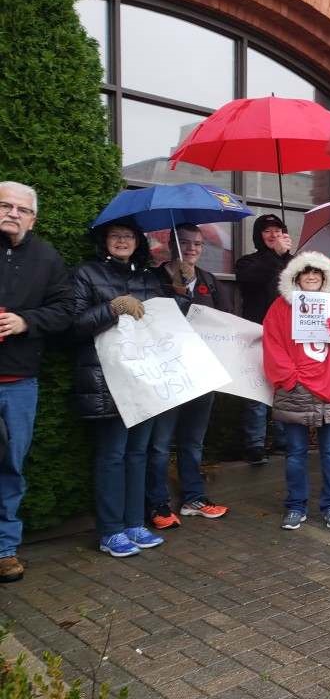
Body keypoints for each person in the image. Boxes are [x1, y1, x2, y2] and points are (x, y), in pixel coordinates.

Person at [72, 221, 172, 557]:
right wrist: (112, 308)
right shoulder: (86, 274)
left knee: (137, 454)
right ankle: (111, 530)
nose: (121, 241)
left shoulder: (148, 277)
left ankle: (133, 523)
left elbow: (167, 320)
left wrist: (182, 285)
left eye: (128, 236)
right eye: (115, 236)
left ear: (138, 242)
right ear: (104, 241)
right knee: (112, 455)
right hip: (108, 381)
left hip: (144, 380)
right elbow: (74, 326)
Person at [0, 182, 73, 582]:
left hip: (16, 382)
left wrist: (27, 321)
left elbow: (65, 309)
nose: (12, 213)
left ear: (33, 218)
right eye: (4, 205)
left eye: (21, 209)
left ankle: (4, 549)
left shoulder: (46, 257)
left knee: (11, 466)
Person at [262, 251, 330, 530]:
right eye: (306, 273)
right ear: (296, 277)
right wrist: (291, 379)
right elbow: (272, 344)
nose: (312, 277)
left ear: (325, 277)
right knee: (295, 454)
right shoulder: (281, 307)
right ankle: (296, 506)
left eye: (317, 273)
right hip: (297, 387)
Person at [145, 224, 233, 530]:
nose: (192, 248)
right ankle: (157, 504)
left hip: (202, 373)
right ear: (171, 244)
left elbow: (225, 322)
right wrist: (177, 291)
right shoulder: (153, 279)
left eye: (197, 244)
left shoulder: (209, 281)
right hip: (167, 374)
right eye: (185, 243)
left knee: (193, 442)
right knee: (159, 444)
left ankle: (193, 499)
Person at [235, 213, 293, 465]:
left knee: (283, 387)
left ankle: (282, 440)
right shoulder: (247, 261)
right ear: (258, 235)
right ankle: (256, 444)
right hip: (257, 332)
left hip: (287, 335)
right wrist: (276, 257)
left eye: (278, 230)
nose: (273, 235)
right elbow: (250, 279)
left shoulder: (295, 264)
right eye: (267, 231)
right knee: (256, 390)